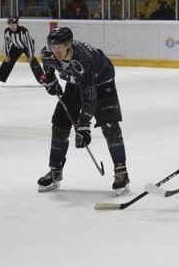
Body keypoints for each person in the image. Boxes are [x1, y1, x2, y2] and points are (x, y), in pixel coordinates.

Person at [38, 27, 130, 194]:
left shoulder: (83, 59)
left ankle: (121, 171)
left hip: (102, 81)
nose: (56, 50)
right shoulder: (48, 53)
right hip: (76, 81)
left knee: (110, 126)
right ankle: (55, 171)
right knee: (60, 123)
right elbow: (48, 67)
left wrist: (83, 125)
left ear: (69, 44)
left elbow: (90, 96)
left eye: (60, 45)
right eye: (53, 45)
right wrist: (50, 80)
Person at [0, 16, 44, 87]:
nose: (12, 26)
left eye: (14, 24)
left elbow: (29, 43)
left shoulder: (23, 30)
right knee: (7, 61)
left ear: (17, 23)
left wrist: (30, 56)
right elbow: (6, 43)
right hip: (16, 46)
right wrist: (6, 55)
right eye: (10, 24)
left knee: (33, 61)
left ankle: (42, 80)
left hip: (26, 46)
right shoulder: (7, 31)